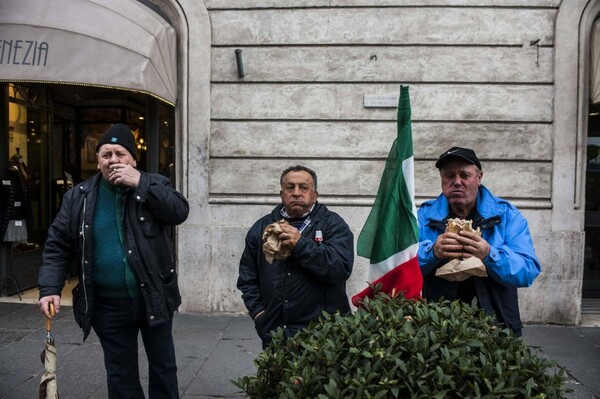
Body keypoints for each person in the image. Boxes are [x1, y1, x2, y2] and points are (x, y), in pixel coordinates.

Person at [38, 123, 189, 398]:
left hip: (153, 297)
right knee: (120, 373)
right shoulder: (78, 197)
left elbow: (179, 211)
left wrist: (140, 182)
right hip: (108, 305)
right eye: (106, 154)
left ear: (133, 159)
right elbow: (58, 245)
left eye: (120, 153)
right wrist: (49, 288)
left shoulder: (155, 183)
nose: (113, 160)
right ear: (98, 162)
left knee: (163, 367)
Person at [417, 147, 541, 336]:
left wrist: (489, 254)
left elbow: (527, 270)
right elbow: (401, 263)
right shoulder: (424, 216)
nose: (457, 182)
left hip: (495, 324)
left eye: (465, 175)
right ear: (441, 178)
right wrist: (432, 252)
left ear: (479, 177)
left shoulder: (506, 215)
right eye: (449, 175)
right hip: (435, 325)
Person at [237, 165, 354, 348]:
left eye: (303, 187)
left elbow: (340, 269)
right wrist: (260, 315)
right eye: (290, 187)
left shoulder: (333, 225)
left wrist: (300, 244)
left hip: (325, 334)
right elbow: (247, 278)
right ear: (282, 193)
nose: (296, 193)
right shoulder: (261, 228)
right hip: (276, 335)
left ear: (315, 195)